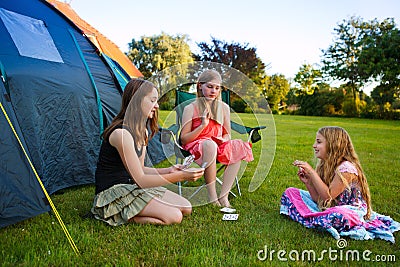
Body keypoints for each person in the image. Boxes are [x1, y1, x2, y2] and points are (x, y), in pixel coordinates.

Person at [91, 78, 204, 226]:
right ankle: (115, 214)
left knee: (186, 207)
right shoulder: (121, 134)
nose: (156, 106)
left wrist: (169, 170)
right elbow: (141, 179)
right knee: (174, 216)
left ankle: (131, 210)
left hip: (131, 186)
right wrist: (181, 176)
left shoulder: (142, 130)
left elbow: (141, 169)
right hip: (113, 193)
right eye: (152, 100)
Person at [280, 126, 400, 242]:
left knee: (339, 215)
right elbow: (320, 200)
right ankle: (319, 218)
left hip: (351, 211)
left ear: (333, 144)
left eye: (319, 142)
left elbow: (328, 196)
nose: (314, 145)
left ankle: (315, 217)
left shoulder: (346, 168)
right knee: (290, 192)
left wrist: (311, 173)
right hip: (329, 207)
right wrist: (308, 184)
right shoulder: (324, 165)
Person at [180, 69, 253, 208]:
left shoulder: (224, 108)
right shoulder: (190, 108)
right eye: (209, 86)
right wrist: (202, 126)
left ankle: (224, 196)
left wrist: (224, 140)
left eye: (217, 88)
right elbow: (184, 139)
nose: (213, 91)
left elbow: (227, 134)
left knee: (236, 146)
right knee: (209, 145)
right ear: (200, 86)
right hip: (197, 146)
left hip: (217, 144)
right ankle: (212, 197)